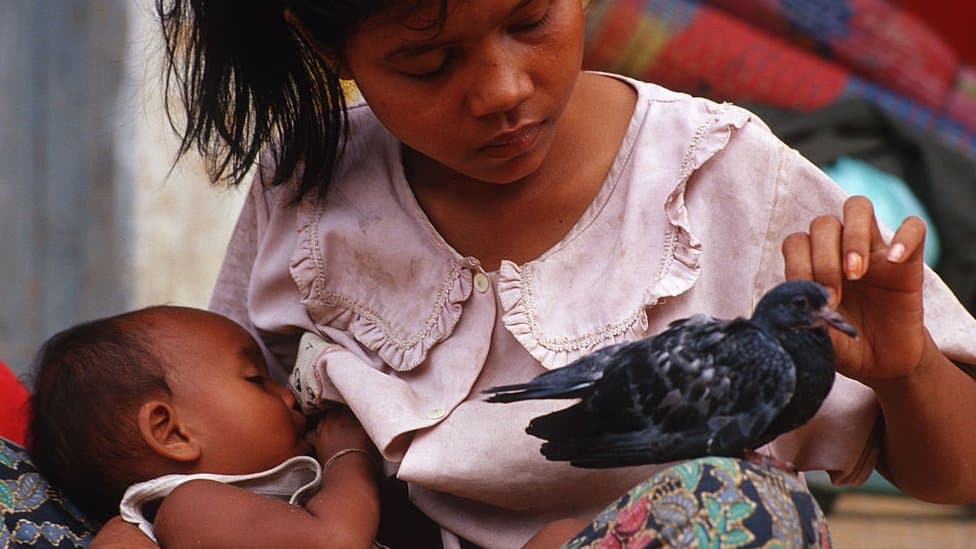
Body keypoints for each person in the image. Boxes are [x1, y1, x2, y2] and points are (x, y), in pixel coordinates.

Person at [155, 0, 976, 547]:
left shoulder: (726, 177)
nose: (502, 91)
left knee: (752, 511)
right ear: (326, 43)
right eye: (429, 63)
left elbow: (956, 468)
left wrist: (906, 366)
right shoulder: (305, 183)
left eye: (530, 19)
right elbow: (227, 440)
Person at [26, 306, 381, 548]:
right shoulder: (190, 507)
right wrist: (348, 457)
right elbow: (337, 542)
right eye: (257, 379)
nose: (288, 395)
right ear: (172, 433)